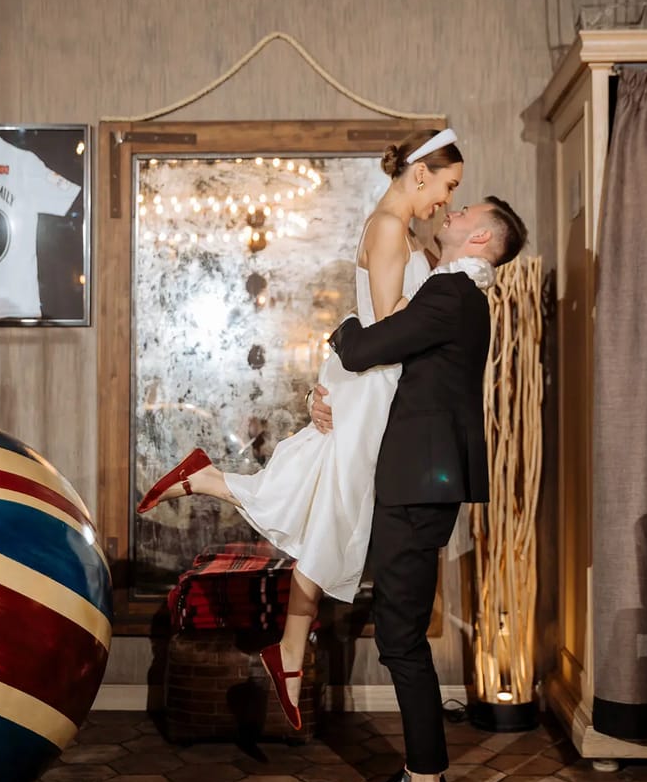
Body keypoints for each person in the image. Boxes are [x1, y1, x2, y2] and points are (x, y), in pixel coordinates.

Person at [137, 128, 466, 728]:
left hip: (373, 387)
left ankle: (285, 643)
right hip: (376, 390)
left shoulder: (396, 226)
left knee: (326, 507)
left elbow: (372, 322)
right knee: (332, 511)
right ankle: (285, 644)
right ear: (421, 173)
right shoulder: (391, 226)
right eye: (447, 186)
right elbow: (388, 328)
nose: (446, 199)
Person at [319, 194, 528, 782]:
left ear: (483, 235)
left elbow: (364, 350)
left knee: (402, 640)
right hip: (419, 477)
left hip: (419, 482)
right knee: (400, 634)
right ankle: (415, 773)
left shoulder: (452, 296)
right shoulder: (454, 294)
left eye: (467, 210)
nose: (455, 210)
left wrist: (342, 326)